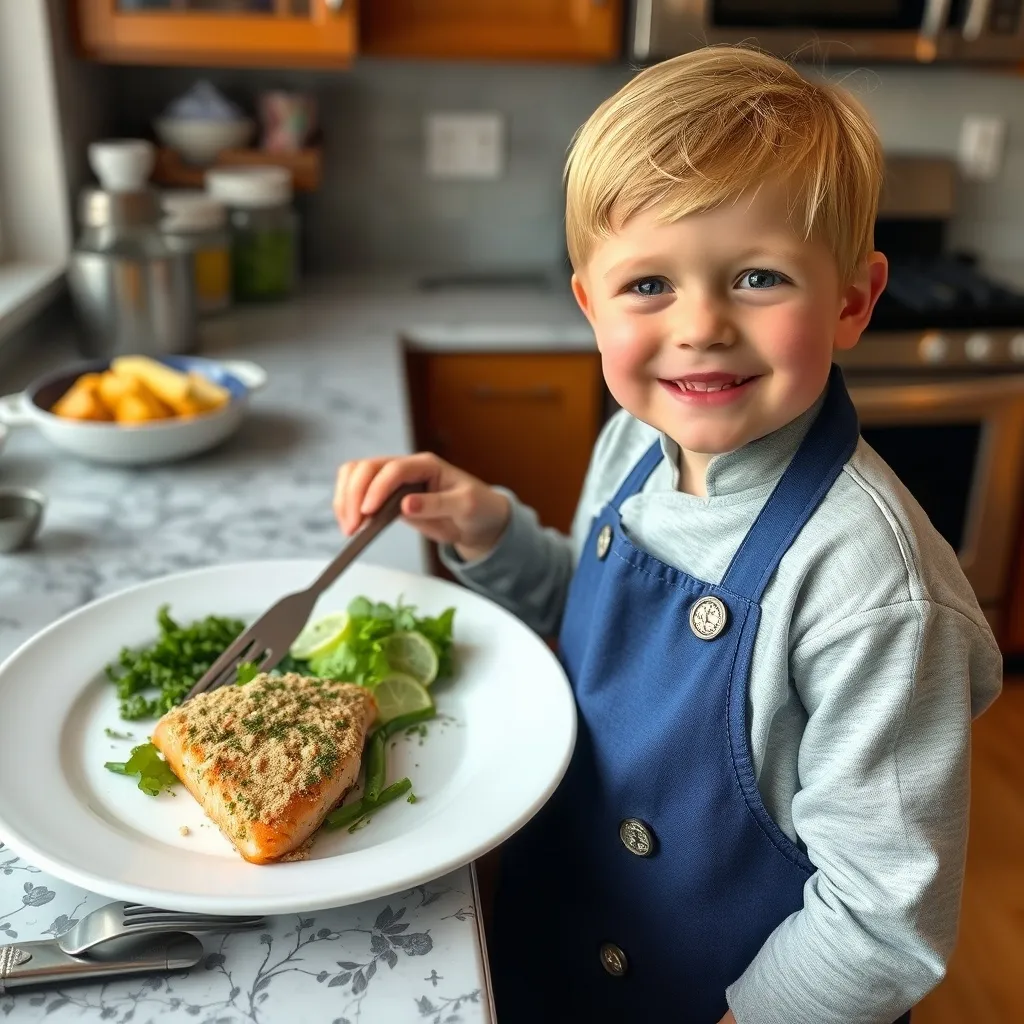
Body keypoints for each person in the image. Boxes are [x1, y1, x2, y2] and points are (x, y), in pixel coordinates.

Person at [333, 45, 1003, 1024]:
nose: (700, 327)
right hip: (564, 925)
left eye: (759, 277)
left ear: (853, 299)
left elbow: (876, 920)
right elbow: (607, 632)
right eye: (648, 284)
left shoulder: (871, 588)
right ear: (588, 304)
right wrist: (490, 532)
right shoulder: (634, 443)